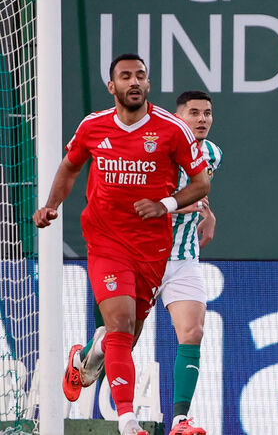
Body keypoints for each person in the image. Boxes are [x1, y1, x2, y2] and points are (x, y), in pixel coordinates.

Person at [34, 54, 209, 435]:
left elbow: (201, 184)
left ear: (148, 85)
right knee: (120, 323)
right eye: (125, 76)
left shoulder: (171, 130)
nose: (134, 82)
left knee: (125, 337)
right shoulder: (93, 126)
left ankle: (88, 355)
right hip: (106, 241)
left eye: (140, 76)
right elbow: (70, 166)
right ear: (112, 86)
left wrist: (164, 205)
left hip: (153, 248)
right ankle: (127, 420)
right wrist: (51, 205)